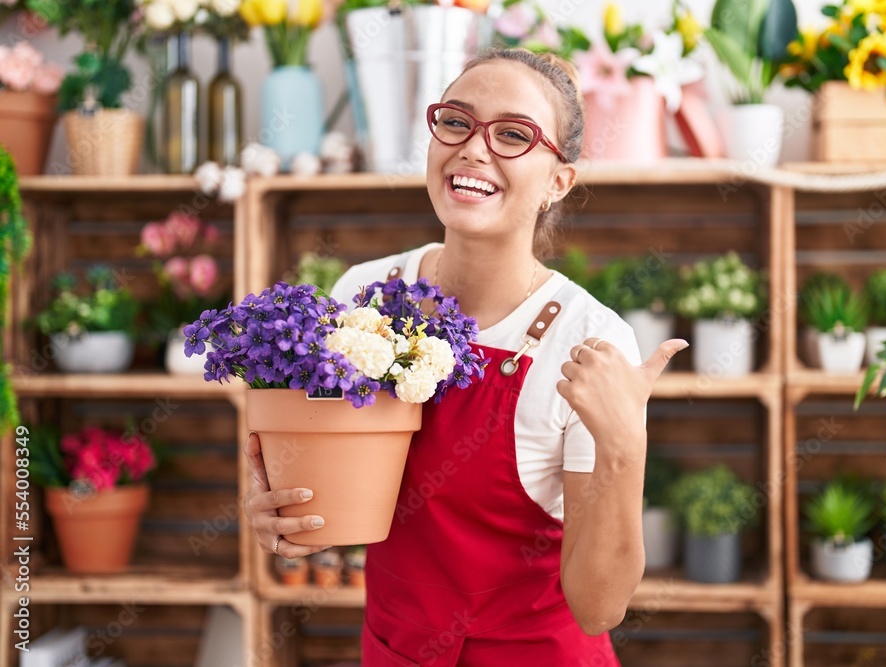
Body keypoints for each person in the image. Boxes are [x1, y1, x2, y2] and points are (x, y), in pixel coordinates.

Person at [243, 47, 689, 665]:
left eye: (513, 134)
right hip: (396, 650)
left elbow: (599, 608)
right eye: (456, 122)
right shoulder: (362, 295)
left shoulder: (589, 342)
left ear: (559, 181)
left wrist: (622, 446)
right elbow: (329, 484)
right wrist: (283, 510)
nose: (474, 149)